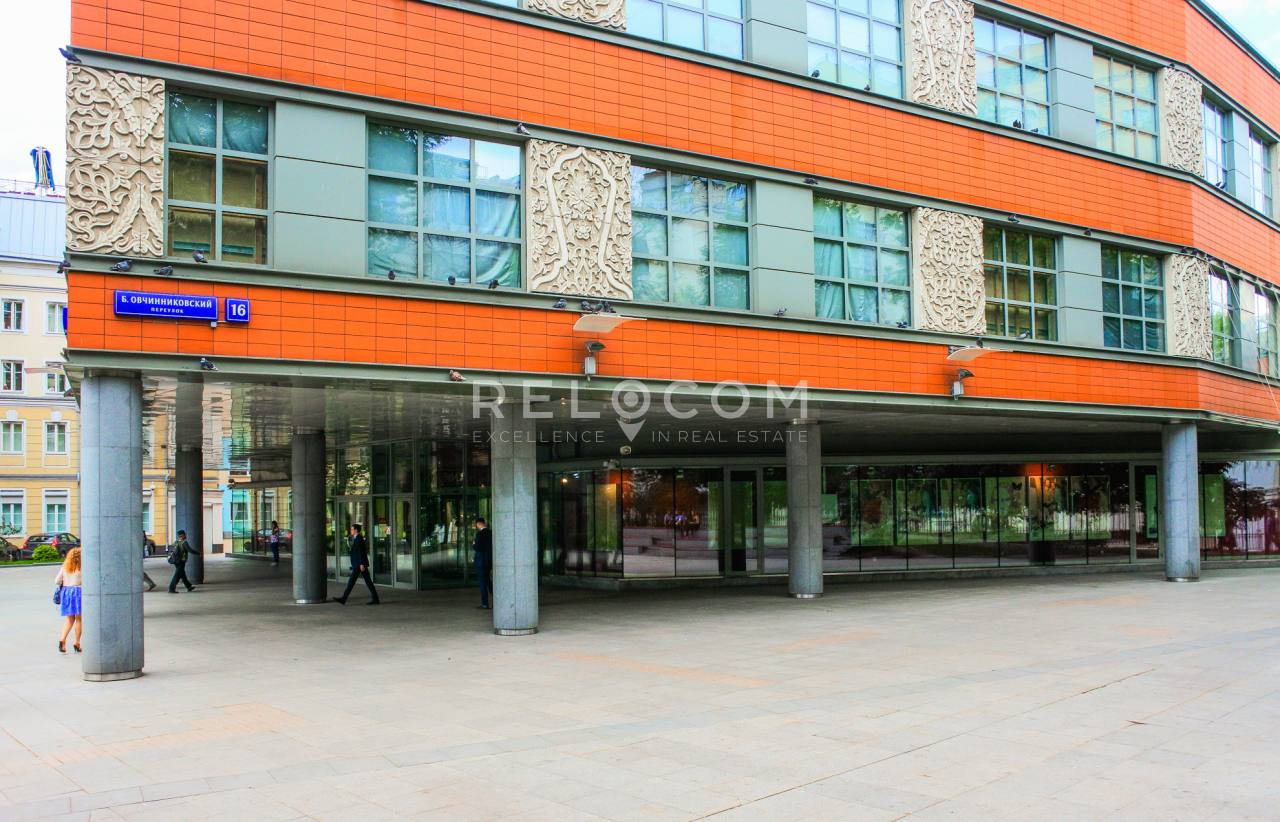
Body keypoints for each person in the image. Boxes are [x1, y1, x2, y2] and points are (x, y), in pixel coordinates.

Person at [333, 523, 378, 605]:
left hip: (359, 564)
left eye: (352, 529)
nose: (351, 530)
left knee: (352, 582)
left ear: (356, 530)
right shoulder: (355, 538)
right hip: (358, 564)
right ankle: (375, 599)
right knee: (367, 582)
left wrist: (362, 564)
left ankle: (343, 599)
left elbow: (361, 552)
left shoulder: (359, 539)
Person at [55, 547, 83, 653]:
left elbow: (57, 581)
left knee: (69, 619)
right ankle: (77, 643)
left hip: (66, 593)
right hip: (79, 592)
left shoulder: (65, 566)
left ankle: (62, 640)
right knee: (79, 619)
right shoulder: (83, 567)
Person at [168, 529, 196, 593]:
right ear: (183, 535)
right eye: (184, 534)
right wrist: (198, 553)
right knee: (177, 575)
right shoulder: (184, 542)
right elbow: (190, 550)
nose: (186, 535)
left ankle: (188, 586)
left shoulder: (176, 542)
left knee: (182, 574)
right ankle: (171, 589)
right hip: (181, 561)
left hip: (175, 561)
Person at [473, 517, 493, 610]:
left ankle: (485, 603)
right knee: (488, 581)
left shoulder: (479, 534)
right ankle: (497, 599)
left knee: (482, 583)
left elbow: (477, 547)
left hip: (481, 562)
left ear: (478, 524)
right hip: (489, 561)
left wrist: (474, 544)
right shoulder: (491, 533)